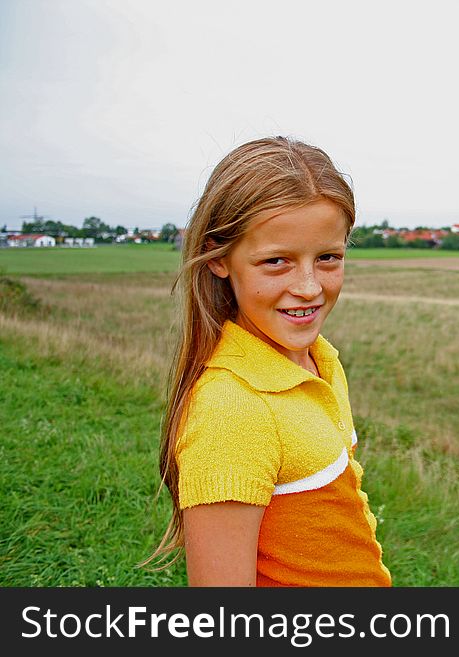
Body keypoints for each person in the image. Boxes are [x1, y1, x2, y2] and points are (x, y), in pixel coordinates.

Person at [146, 136, 391, 586]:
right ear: (220, 257)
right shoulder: (232, 410)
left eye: (328, 258)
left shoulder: (320, 359)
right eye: (276, 261)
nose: (308, 287)